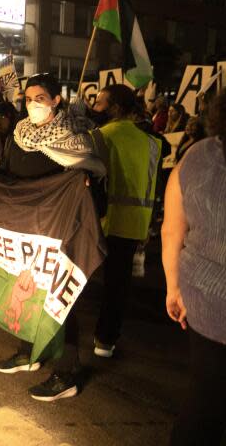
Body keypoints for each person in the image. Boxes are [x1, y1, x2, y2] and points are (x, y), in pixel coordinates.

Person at [0, 73, 105, 402]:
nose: (32, 104)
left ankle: (67, 372)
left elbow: (95, 190)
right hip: (26, 231)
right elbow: (7, 176)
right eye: (28, 98)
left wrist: (84, 184)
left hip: (60, 235)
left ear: (56, 100)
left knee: (61, 299)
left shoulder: (77, 138)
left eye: (40, 98)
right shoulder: (18, 136)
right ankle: (28, 351)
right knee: (24, 290)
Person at [161, 89, 226, 445]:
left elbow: (172, 229)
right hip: (208, 302)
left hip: (205, 303)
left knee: (204, 401)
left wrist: (174, 288)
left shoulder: (197, 156)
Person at [89, 85, 161, 359]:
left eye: (99, 103)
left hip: (99, 221)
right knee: (117, 286)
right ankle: (105, 340)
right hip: (133, 225)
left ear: (115, 107)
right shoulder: (152, 143)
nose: (95, 108)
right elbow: (154, 187)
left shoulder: (99, 136)